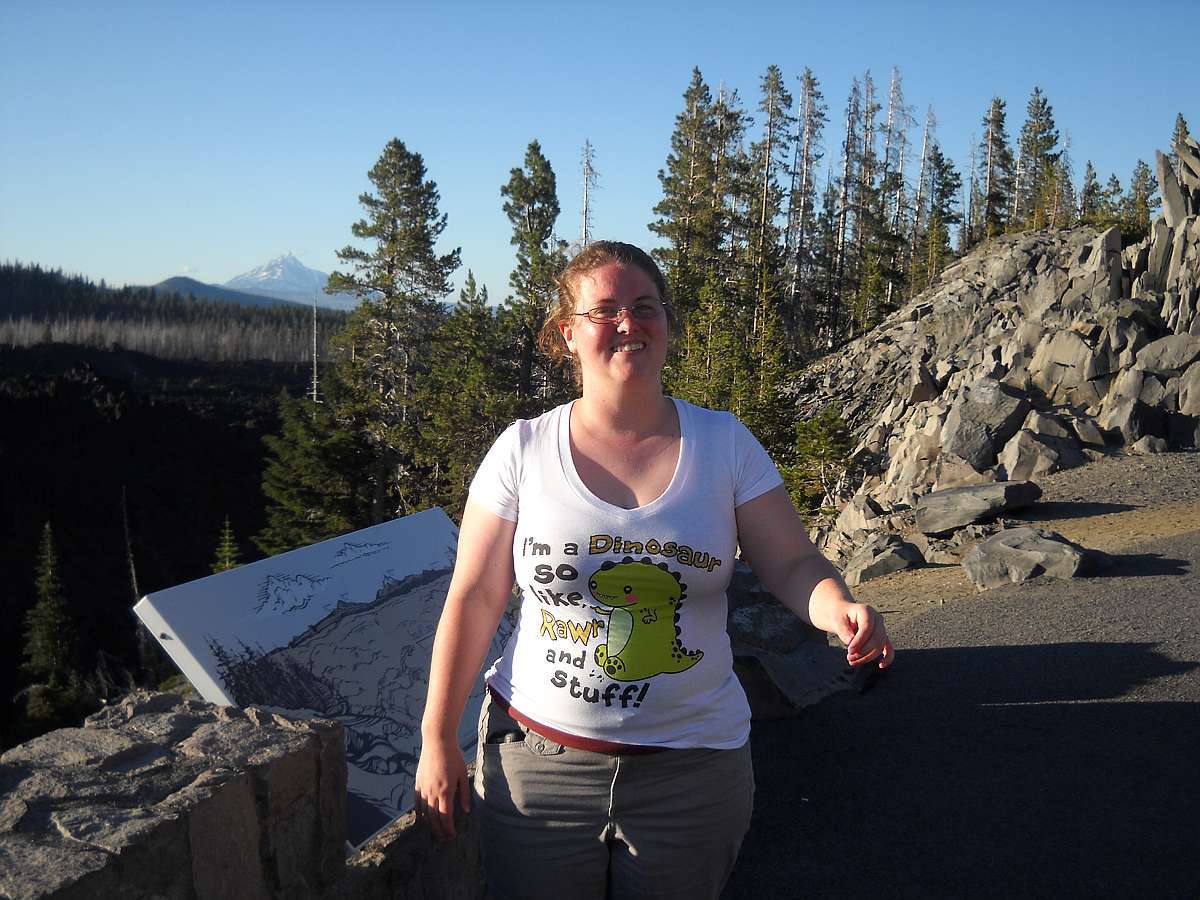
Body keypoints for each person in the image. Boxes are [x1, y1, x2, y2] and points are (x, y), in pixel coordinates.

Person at [415, 241, 894, 900]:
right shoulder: (522, 451)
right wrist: (436, 736)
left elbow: (791, 561)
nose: (627, 323)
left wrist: (837, 607)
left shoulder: (724, 445)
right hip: (538, 768)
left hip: (694, 774)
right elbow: (473, 597)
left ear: (666, 321)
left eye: (645, 307)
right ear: (568, 332)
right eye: (605, 310)